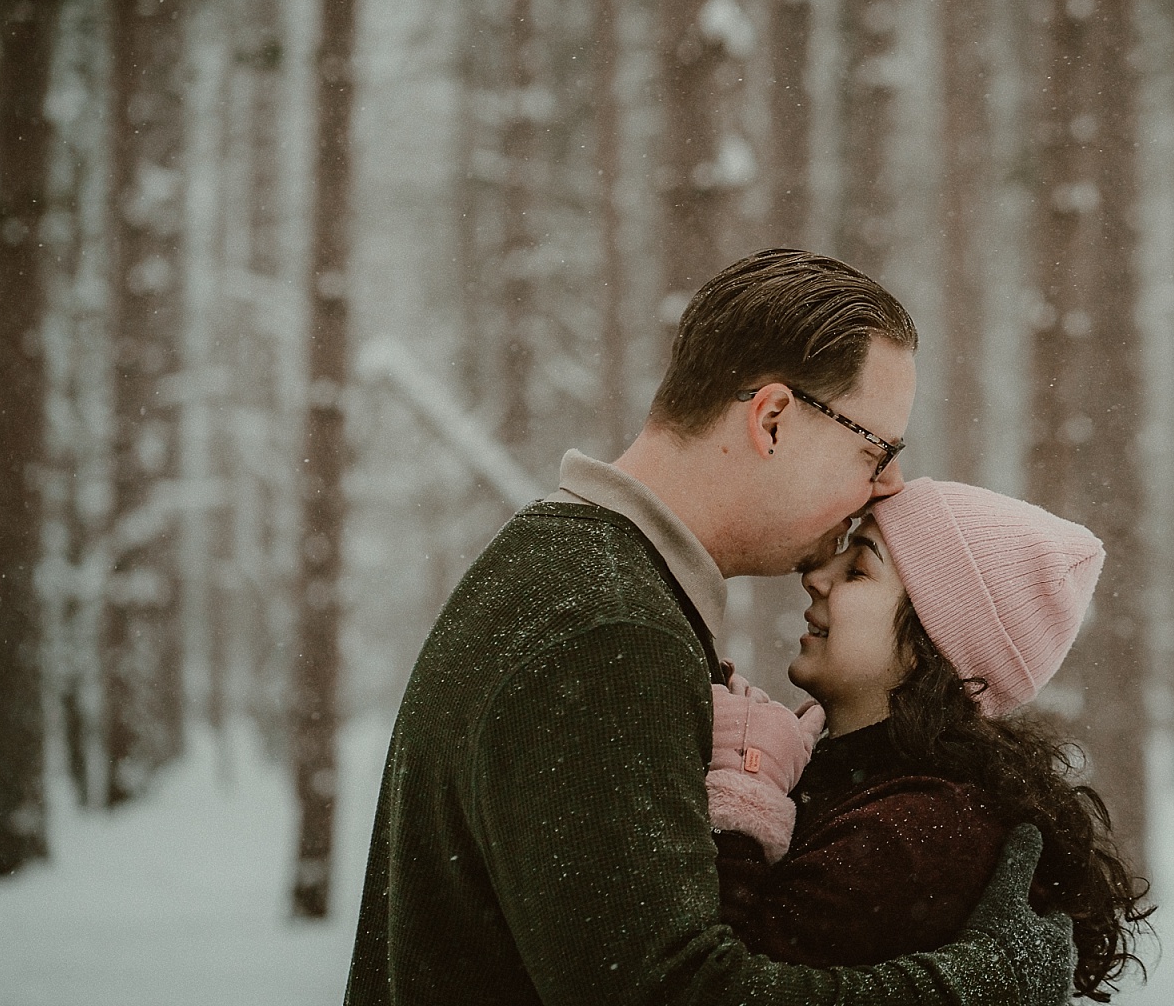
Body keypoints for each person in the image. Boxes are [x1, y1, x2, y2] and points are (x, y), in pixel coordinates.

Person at [345, 249, 1076, 1006]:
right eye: (877, 449)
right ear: (773, 419)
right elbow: (671, 993)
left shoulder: (571, 574)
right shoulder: (608, 633)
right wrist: (982, 985)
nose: (887, 485)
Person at [705, 479, 1152, 1002]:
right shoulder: (890, 793)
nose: (816, 576)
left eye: (858, 569)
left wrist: (744, 791)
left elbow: (702, 984)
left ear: (928, 642)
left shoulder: (916, 831)